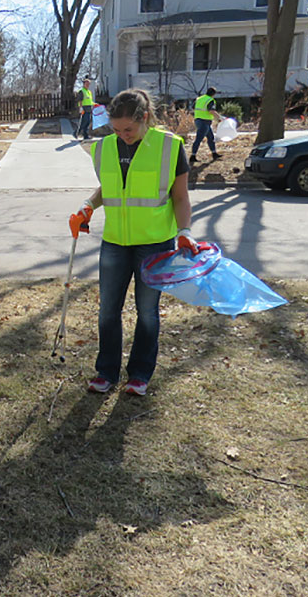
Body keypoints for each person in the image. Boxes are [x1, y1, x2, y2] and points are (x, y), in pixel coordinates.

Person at [68, 89, 198, 396]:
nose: (122, 135)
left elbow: (180, 197)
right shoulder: (104, 148)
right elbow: (110, 187)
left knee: (147, 312)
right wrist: (88, 205)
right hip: (114, 242)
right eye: (116, 129)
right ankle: (106, 372)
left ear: (144, 119)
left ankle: (139, 374)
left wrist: (185, 232)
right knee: (107, 312)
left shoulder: (169, 147)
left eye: (128, 129)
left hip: (155, 245)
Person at [190, 87, 222, 162]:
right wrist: (219, 118)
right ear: (213, 94)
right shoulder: (211, 100)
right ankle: (193, 156)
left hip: (198, 120)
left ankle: (214, 153)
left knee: (211, 137)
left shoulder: (199, 99)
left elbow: (193, 108)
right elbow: (211, 111)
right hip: (204, 122)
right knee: (199, 139)